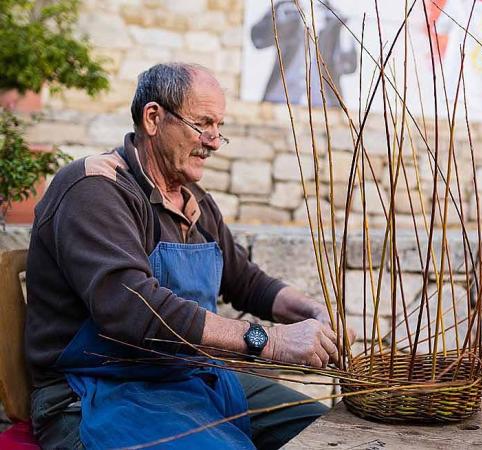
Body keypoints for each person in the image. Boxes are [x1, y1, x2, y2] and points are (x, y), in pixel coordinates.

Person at [25, 63, 351, 449]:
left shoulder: (194, 201)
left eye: (219, 128)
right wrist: (270, 339)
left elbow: (245, 281)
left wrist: (314, 312)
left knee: (327, 432)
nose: (213, 141)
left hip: (184, 376)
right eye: (203, 124)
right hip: (94, 392)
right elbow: (133, 309)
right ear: (153, 118)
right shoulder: (95, 189)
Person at [250, 0, 357, 106]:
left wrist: (343, 33)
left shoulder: (333, 15)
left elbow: (349, 66)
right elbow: (258, 39)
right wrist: (283, 22)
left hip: (324, 102)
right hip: (281, 97)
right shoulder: (285, 7)